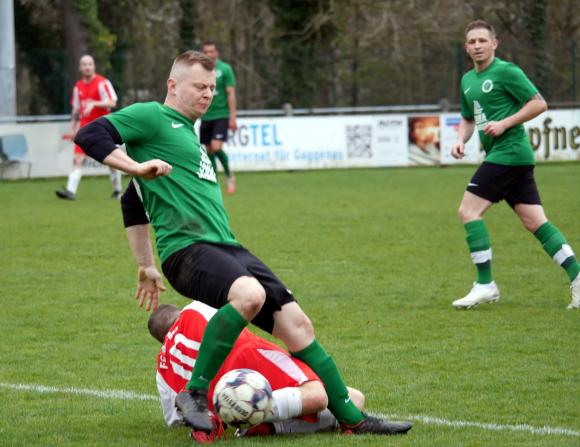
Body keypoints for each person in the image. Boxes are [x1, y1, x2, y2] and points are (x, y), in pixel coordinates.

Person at [74, 50, 411, 435]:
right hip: (187, 250)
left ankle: (353, 419)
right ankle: (195, 394)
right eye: (199, 86)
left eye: (213, 88)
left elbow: (134, 201)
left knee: (298, 325)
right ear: (173, 85)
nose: (208, 94)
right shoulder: (151, 116)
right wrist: (134, 168)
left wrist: (144, 263)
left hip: (227, 246)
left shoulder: (188, 134)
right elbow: (90, 135)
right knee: (249, 296)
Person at [451, 20, 580, 310]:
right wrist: (460, 139)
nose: (477, 46)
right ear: (466, 47)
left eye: (483, 40)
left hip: (509, 153)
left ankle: (485, 284)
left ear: (494, 43)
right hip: (510, 159)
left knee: (468, 211)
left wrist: (505, 123)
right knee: (535, 222)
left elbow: (538, 103)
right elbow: (469, 118)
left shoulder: (507, 71)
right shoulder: (467, 81)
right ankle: (578, 277)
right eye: (472, 42)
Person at [149, 301, 408, 441]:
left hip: (221, 390)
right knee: (341, 398)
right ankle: (257, 422)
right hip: (248, 354)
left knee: (342, 398)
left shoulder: (162, 367)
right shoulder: (192, 310)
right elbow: (233, 312)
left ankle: (249, 419)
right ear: (177, 313)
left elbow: (174, 419)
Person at [56, 55, 122, 200]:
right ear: (80, 67)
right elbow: (76, 110)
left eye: (90, 64)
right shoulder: (78, 87)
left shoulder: (102, 83)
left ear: (94, 66)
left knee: (113, 162)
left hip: (104, 127)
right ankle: (70, 191)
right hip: (85, 129)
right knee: (78, 159)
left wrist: (94, 103)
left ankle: (118, 190)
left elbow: (112, 102)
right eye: (84, 64)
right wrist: (73, 128)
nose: (87, 67)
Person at [200, 41, 237, 195]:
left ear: (217, 53)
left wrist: (233, 117)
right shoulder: (200, 70)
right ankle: (213, 181)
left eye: (212, 51)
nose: (209, 54)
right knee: (208, 151)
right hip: (205, 115)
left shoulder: (225, 69)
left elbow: (231, 93)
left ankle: (229, 176)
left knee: (216, 147)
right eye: (206, 52)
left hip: (221, 115)